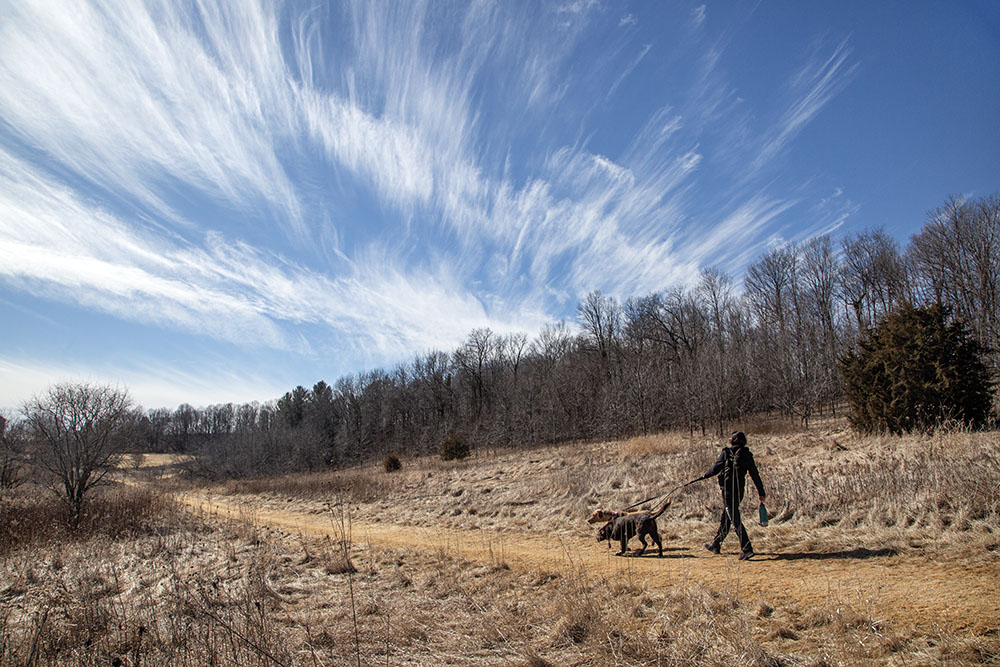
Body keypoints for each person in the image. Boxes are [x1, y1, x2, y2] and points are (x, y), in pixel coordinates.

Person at [701, 431, 766, 560]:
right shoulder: (747, 454)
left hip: (728, 491)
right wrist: (761, 492)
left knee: (734, 519)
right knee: (727, 516)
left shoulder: (726, 452)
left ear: (733, 440)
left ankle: (747, 549)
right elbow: (755, 474)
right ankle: (716, 544)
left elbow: (715, 469)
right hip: (739, 491)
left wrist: (704, 475)